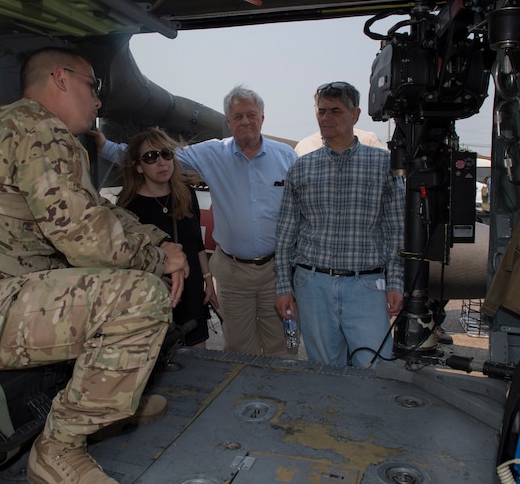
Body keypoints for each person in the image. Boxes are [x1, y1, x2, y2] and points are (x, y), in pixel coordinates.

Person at [0, 47, 189, 484]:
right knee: (138, 296)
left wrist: (160, 239)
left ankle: (106, 405)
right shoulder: (37, 128)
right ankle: (59, 449)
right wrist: (159, 260)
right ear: (61, 79)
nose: (99, 101)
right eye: (94, 87)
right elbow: (87, 240)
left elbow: (95, 214)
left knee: (105, 285)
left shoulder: (25, 127)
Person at [96, 85, 298, 357]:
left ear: (262, 117)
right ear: (228, 122)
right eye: (237, 116)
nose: (245, 121)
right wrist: (102, 145)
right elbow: (152, 156)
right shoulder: (212, 154)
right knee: (238, 352)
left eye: (251, 114)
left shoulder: (286, 157)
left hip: (276, 272)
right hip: (234, 273)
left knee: (282, 349)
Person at [274, 81, 405, 368]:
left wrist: (395, 282)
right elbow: (285, 235)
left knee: (375, 370)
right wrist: (284, 286)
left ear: (355, 115)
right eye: (321, 111)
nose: (326, 118)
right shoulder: (301, 167)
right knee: (324, 372)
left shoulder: (384, 165)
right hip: (313, 286)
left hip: (367, 287)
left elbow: (396, 231)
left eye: (335, 110)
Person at [117, 128, 219, 347]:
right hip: (155, 295)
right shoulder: (128, 206)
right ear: (138, 166)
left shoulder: (186, 194)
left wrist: (208, 279)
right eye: (151, 157)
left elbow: (196, 244)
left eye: (166, 154)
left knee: (198, 361)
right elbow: (125, 257)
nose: (161, 162)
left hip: (191, 291)